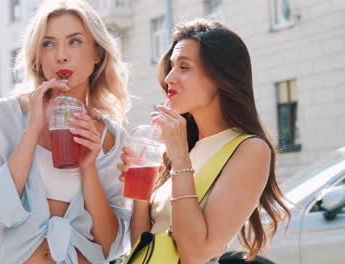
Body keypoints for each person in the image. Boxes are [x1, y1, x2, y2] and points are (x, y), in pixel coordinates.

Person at [0, 1, 132, 263]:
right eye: (48, 43)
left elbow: (109, 245)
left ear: (97, 52)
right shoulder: (8, 116)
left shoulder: (112, 139)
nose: (61, 55)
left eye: (74, 41)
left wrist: (88, 167)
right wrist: (31, 132)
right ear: (37, 56)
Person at [118, 19, 291, 264]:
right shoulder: (182, 146)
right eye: (171, 66)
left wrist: (180, 160)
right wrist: (140, 188)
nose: (169, 78)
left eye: (184, 67)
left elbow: (195, 254)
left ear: (220, 77)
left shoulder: (249, 149)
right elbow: (143, 246)